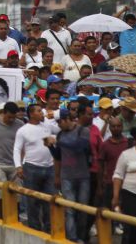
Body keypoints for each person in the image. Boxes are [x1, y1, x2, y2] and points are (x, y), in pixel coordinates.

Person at [13, 103, 59, 233]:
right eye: (39, 111)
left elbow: (61, 130)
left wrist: (55, 116)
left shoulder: (47, 126)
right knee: (32, 202)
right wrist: (18, 166)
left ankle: (49, 230)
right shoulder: (23, 130)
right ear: (31, 114)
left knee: (50, 202)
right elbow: (17, 148)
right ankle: (35, 230)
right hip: (32, 168)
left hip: (50, 168)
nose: (42, 112)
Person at [57, 103, 93, 242]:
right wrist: (50, 147)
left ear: (67, 120)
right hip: (66, 176)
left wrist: (59, 144)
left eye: (60, 122)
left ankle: (81, 236)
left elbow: (79, 147)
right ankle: (71, 238)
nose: (59, 125)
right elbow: (58, 156)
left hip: (83, 175)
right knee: (70, 209)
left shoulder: (82, 131)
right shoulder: (60, 134)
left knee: (82, 209)